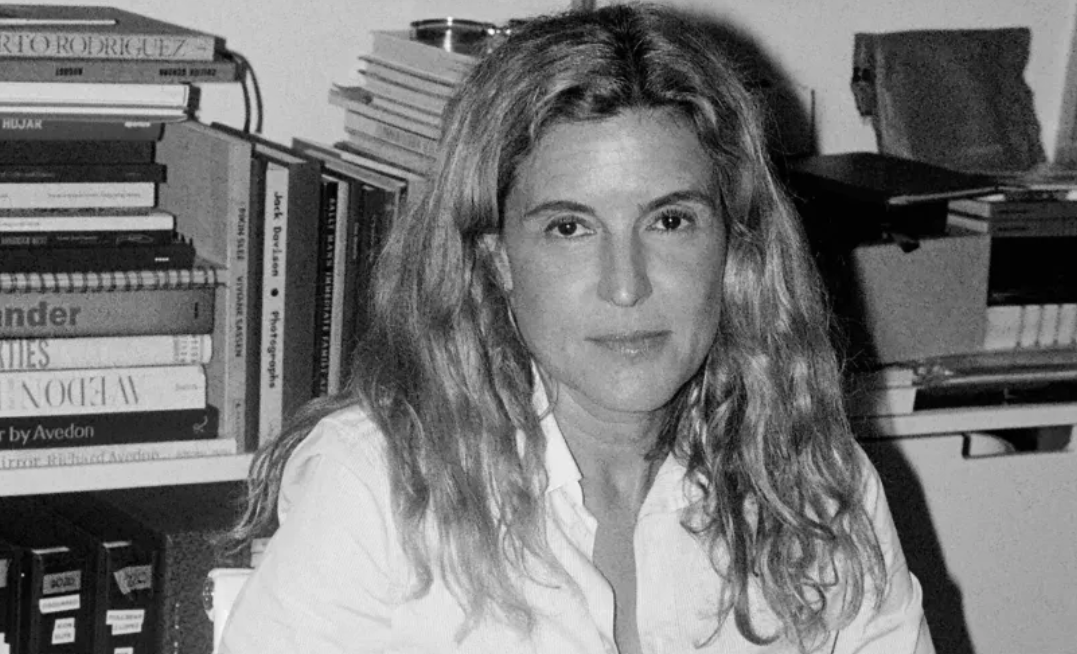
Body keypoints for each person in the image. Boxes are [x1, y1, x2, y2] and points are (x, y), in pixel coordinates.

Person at [218, 3, 934, 653]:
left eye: (670, 221)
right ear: (497, 257)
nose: (627, 286)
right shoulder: (377, 486)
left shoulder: (812, 481)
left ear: (734, 245)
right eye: (569, 227)